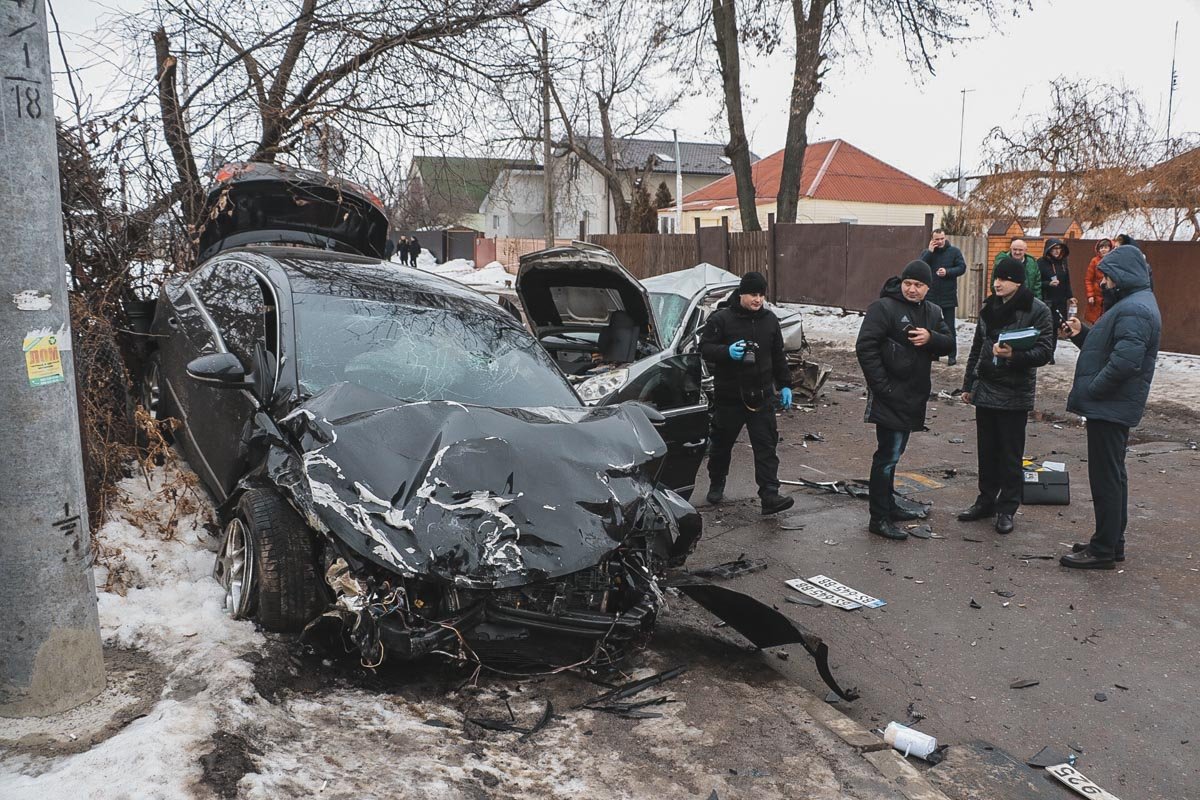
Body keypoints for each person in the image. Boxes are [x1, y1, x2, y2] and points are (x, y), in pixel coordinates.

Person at [1058, 245, 1161, 569]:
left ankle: (1103, 549)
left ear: (1123, 276)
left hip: (1110, 405)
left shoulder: (1135, 309)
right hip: (1112, 405)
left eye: (1108, 277)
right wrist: (1080, 334)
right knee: (1114, 475)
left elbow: (1124, 363)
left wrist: (1094, 389)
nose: (1103, 282)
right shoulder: (1134, 304)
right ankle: (1111, 541)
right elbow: (1110, 347)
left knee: (1106, 478)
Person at [855, 261, 954, 540]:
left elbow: (949, 342)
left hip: (914, 394)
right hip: (889, 395)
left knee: (895, 456)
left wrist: (930, 337)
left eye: (918, 285)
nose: (912, 289)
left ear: (927, 288)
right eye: (908, 283)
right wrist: (882, 386)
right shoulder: (883, 308)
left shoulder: (932, 312)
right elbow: (865, 347)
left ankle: (890, 505)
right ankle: (879, 518)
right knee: (886, 457)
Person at [957, 258, 1054, 534]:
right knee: (986, 452)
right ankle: (985, 500)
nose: (998, 283)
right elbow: (978, 347)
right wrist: (968, 385)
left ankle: (1007, 508)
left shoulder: (1037, 310)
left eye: (1005, 279)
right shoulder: (990, 306)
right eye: (996, 278)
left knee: (1010, 455)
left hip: (1014, 392)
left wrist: (1014, 356)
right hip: (986, 387)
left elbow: (1045, 352)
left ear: (1019, 282)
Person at [699, 271, 795, 515]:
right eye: (753, 294)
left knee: (766, 447)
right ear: (742, 294)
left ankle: (770, 495)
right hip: (729, 397)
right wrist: (726, 352)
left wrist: (785, 384)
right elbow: (705, 348)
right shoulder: (722, 319)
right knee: (721, 445)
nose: (758, 300)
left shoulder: (769, 320)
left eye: (762, 295)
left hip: (761, 397)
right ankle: (717, 482)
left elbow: (778, 355)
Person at [919, 228, 967, 366]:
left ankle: (952, 355)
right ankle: (934, 353)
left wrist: (948, 272)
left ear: (945, 238)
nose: (939, 242)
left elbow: (962, 267)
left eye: (942, 239)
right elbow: (920, 265)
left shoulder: (954, 252)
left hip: (948, 295)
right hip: (931, 295)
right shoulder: (928, 252)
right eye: (937, 239)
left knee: (949, 326)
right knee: (932, 325)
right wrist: (929, 252)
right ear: (932, 239)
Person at [1037, 238, 1074, 362]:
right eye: (1054, 249)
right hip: (1047, 300)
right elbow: (1037, 283)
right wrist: (1048, 284)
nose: (1057, 252)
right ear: (1048, 250)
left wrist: (1070, 296)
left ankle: (1051, 352)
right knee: (1048, 327)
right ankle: (1047, 353)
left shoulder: (1063, 263)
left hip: (1060, 300)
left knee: (1057, 327)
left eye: (1059, 249)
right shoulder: (1041, 263)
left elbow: (1067, 281)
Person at [1084, 238, 1112, 325]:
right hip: (1097, 296)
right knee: (1095, 320)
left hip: (1110, 294)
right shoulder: (1094, 261)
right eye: (1101, 247)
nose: (1103, 249)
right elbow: (1088, 279)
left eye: (1106, 247)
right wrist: (1090, 295)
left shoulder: (1114, 260)